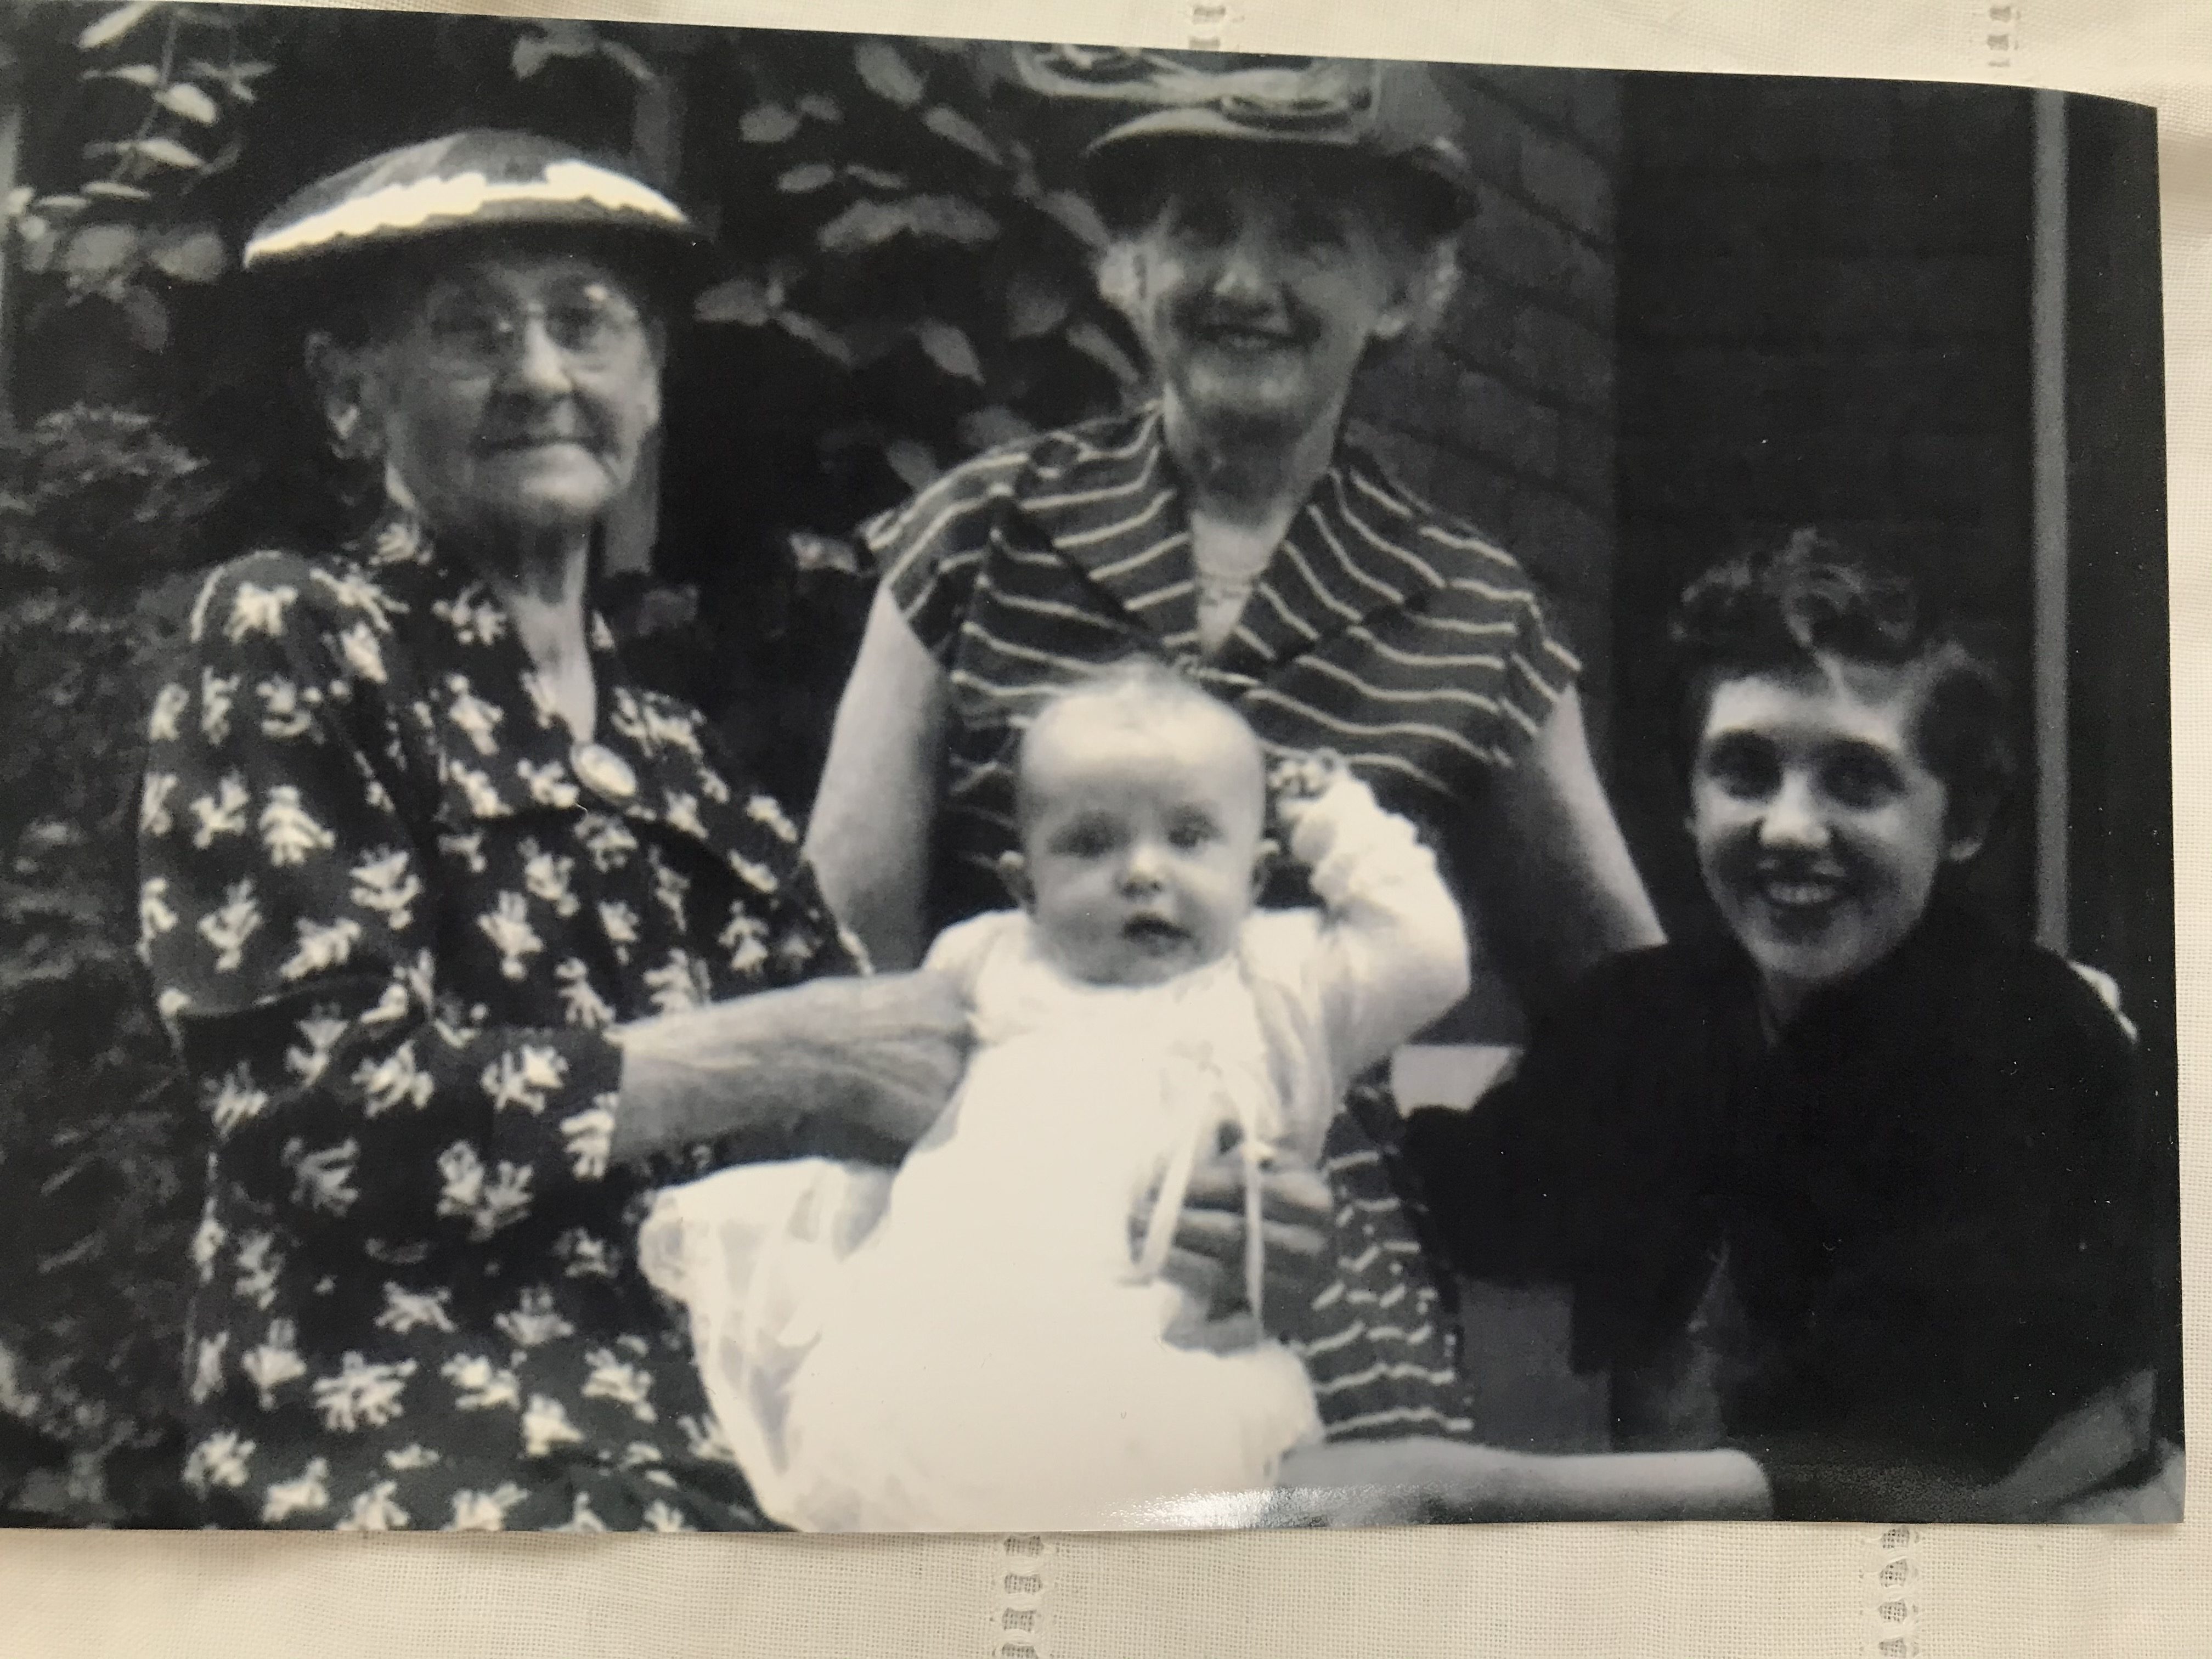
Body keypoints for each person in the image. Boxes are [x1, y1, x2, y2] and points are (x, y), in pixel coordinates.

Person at [802, 55, 1665, 1448]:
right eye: (1200, 227)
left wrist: (1458, 1180)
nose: (1246, 283)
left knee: (1322, 1539)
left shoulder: (1472, 612)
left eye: (1313, 239)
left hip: (1310, 1242)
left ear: (1400, 294)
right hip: (992, 1210)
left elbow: (1634, 1011)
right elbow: (848, 954)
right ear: (1131, 271)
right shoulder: (977, 536)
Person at [137, 132, 971, 1532]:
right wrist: (780, 1049)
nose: (539, 375)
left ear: (649, 386)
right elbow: (324, 1109)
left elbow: (882, 1083)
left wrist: (1146, 1175)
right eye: (471, 331)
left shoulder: (677, 759)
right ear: (349, 394)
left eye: (584, 324)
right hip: (412, 1445)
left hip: (716, 1428)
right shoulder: (301, 636)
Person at [1307, 532, 2168, 1522]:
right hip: (1729, 1543)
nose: (1790, 828)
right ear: (1688, 800)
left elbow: (1903, 1458)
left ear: (1963, 821)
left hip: (2025, 1547)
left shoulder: (2031, 1047)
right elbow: (1471, 1199)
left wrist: (1465, 1488)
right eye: (1745, 771)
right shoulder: (1643, 1017)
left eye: (1858, 780)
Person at [644, 663, 1470, 1530]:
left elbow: (1429, 958)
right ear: (1024, 886)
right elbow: (908, 1117)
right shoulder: (987, 961)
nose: (1143, 872)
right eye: (1091, 843)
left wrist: (1336, 821)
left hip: (1151, 1358)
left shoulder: (1278, 983)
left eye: (1189, 837)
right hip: (950, 1339)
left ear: (1257, 879)